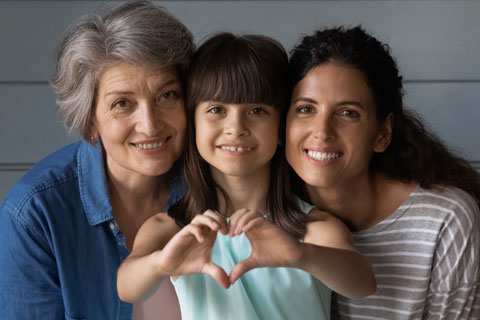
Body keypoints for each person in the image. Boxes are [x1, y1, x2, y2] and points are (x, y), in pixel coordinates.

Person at [117, 32, 376, 320]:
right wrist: (161, 264)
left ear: (281, 127)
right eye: (217, 110)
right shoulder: (171, 229)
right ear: (193, 124)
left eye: (256, 110)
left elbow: (362, 283)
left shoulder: (314, 228)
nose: (235, 127)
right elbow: (127, 287)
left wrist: (300, 255)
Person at [0, 1, 194, 319]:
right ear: (91, 122)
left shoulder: (220, 182)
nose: (150, 124)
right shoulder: (33, 216)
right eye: (122, 103)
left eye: (167, 95)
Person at [285, 26, 480, 319]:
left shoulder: (443, 220)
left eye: (348, 113)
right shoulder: (268, 212)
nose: (322, 132)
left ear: (382, 133)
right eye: (305, 109)